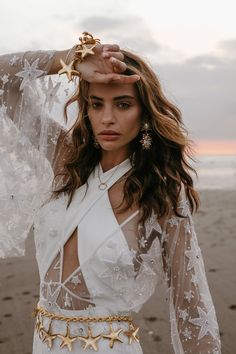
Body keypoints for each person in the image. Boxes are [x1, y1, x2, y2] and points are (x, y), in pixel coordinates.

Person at [0, 32, 221, 353]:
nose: (107, 118)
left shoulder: (162, 194)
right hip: (44, 344)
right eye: (96, 104)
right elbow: (5, 84)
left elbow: (190, 307)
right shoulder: (65, 159)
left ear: (144, 113)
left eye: (123, 104)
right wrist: (71, 58)